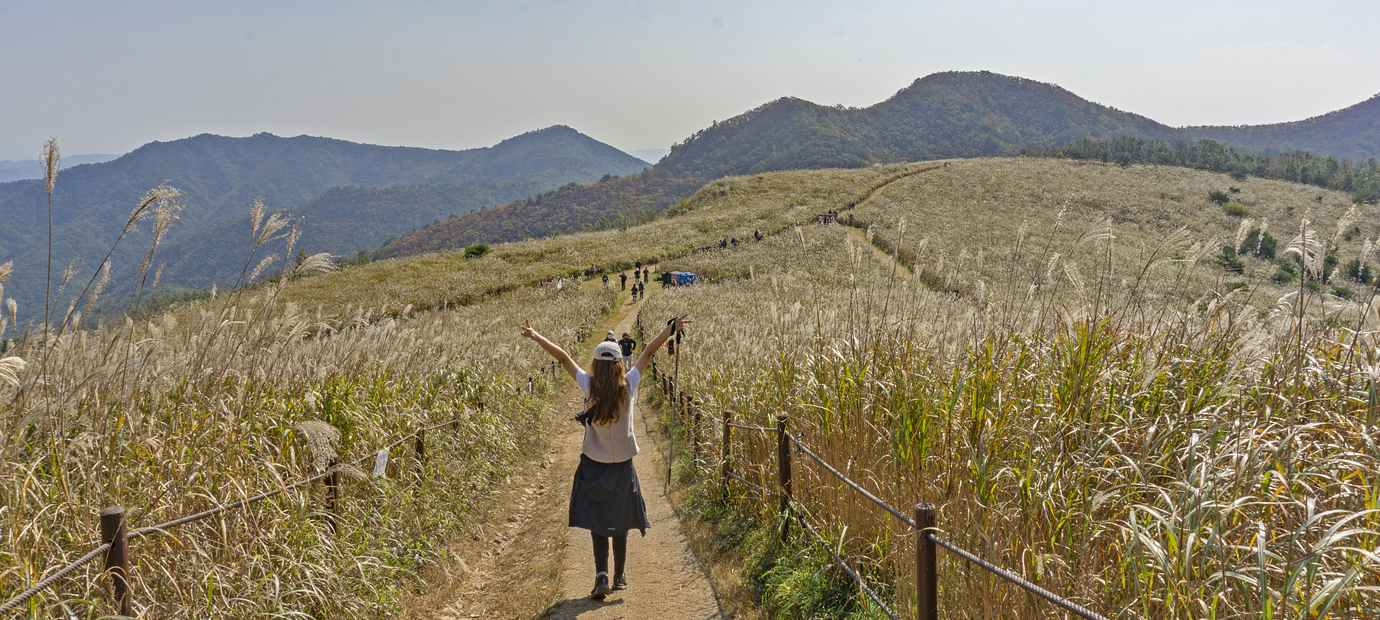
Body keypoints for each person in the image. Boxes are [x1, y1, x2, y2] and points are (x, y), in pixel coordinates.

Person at [520, 314, 691, 600]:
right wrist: (670, 328)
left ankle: (601, 575)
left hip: (594, 465)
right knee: (620, 520)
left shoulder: (589, 386)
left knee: (599, 520)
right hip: (622, 465)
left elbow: (563, 358)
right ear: (619, 364)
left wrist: (536, 336)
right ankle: (619, 576)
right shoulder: (630, 386)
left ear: (597, 365)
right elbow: (648, 351)